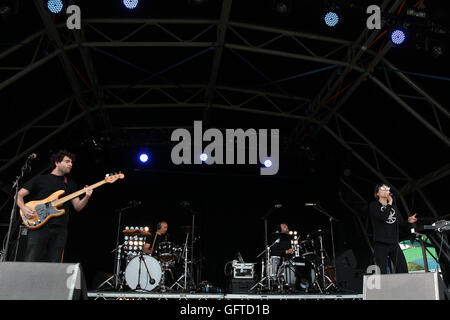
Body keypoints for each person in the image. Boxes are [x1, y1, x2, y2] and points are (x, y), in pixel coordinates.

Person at [16, 150, 93, 262]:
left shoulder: (70, 183)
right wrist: (23, 208)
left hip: (60, 229)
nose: (70, 164)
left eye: (71, 162)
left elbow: (77, 206)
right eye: (67, 161)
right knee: (31, 260)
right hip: (39, 226)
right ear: (57, 163)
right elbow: (18, 195)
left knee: (55, 263)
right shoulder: (41, 179)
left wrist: (87, 197)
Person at [369, 183, 417, 274]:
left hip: (394, 243)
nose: (386, 189)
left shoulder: (393, 208)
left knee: (403, 269)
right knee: (382, 271)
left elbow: (400, 224)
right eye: (382, 188)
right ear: (377, 194)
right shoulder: (373, 206)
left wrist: (408, 221)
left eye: (387, 188)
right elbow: (383, 217)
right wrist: (389, 204)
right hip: (380, 243)